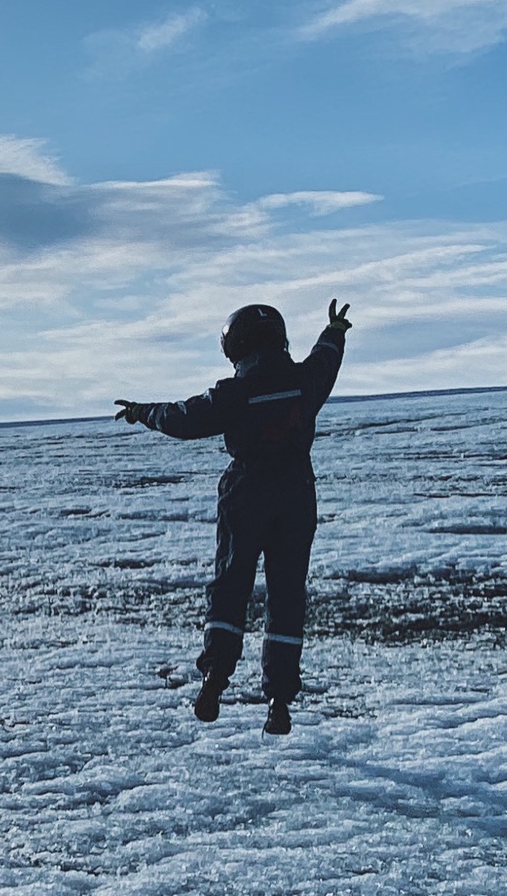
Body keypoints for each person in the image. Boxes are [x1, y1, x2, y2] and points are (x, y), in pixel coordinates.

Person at [115, 299, 351, 735]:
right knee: (286, 596)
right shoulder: (303, 382)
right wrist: (334, 330)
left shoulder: (234, 393)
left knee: (230, 586)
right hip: (297, 497)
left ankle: (215, 678)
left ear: (237, 347)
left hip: (246, 495)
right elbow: (325, 360)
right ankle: (279, 701)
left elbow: (182, 419)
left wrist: (141, 411)